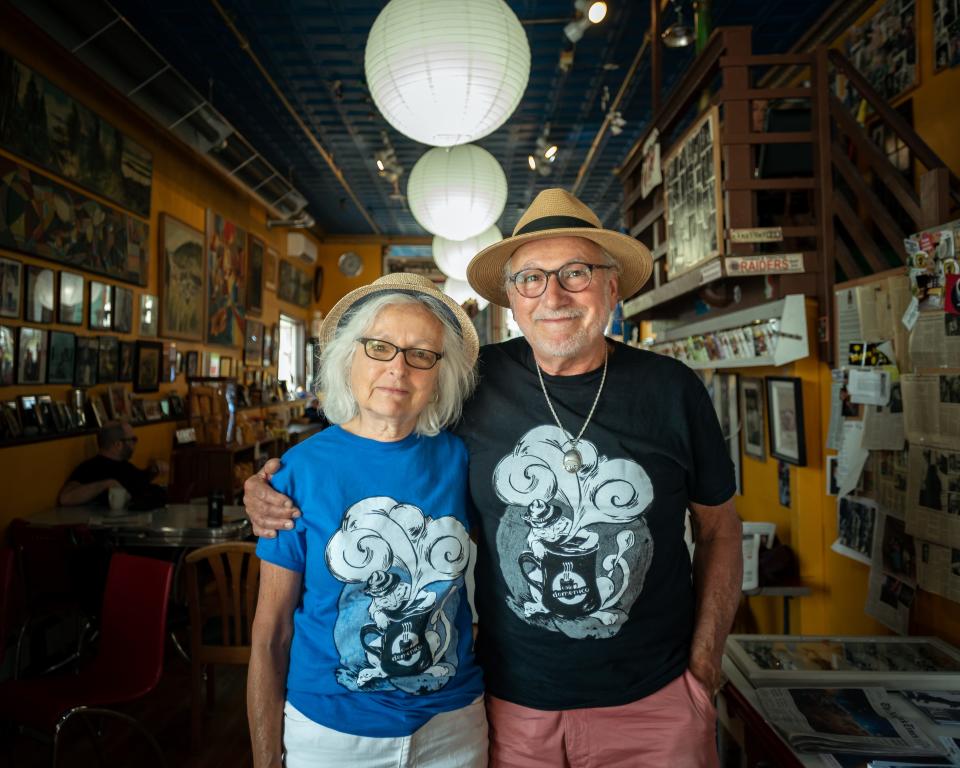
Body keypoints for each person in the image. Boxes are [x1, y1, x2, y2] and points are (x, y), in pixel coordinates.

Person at [245, 189, 743, 767]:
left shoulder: (673, 390)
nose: (552, 296)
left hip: (654, 704)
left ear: (612, 286)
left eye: (575, 273)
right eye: (530, 278)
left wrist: (704, 669)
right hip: (513, 708)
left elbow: (719, 531)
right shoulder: (477, 385)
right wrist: (269, 486)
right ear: (512, 297)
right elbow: (381, 437)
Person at [247, 273, 487, 768]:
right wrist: (267, 759)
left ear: (440, 373)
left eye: (421, 354)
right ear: (348, 358)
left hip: (454, 725)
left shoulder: (463, 459)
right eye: (379, 347)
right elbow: (271, 634)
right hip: (330, 732)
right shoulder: (298, 471)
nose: (398, 369)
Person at [57, 420, 166, 508]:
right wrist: (105, 484)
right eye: (133, 439)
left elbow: (138, 481)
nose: (135, 443)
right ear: (118, 444)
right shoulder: (91, 468)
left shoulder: (124, 465)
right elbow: (65, 498)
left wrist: (153, 470)